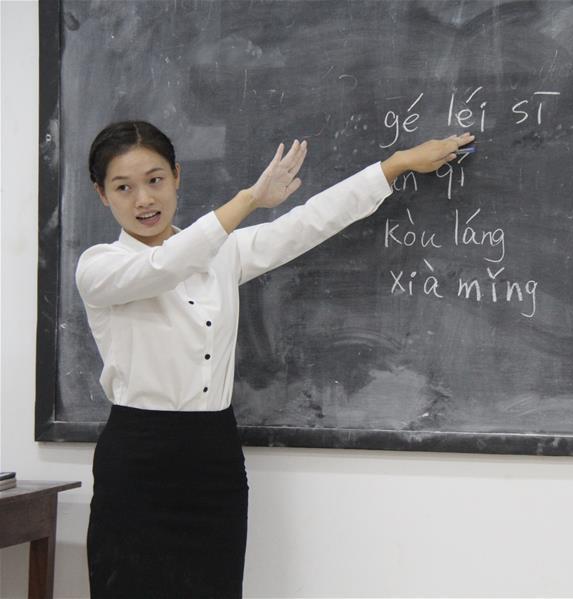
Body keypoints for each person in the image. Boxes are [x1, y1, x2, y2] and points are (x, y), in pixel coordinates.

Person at [77, 120, 474, 598]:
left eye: (155, 179)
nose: (144, 199)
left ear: (177, 176)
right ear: (102, 194)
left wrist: (394, 166)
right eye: (124, 187)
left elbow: (306, 224)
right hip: (137, 458)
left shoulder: (222, 254)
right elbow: (165, 266)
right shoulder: (99, 267)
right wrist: (250, 199)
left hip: (213, 456)